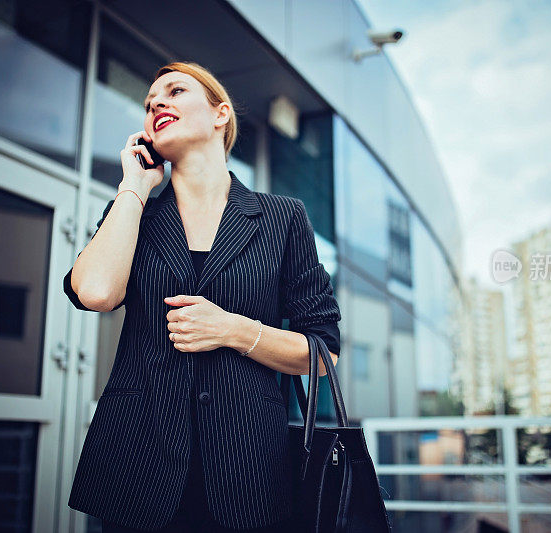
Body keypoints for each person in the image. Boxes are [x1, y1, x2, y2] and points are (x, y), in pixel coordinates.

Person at [63, 61, 342, 532]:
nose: (156, 104)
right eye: (150, 102)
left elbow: (323, 354)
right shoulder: (133, 216)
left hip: (249, 473)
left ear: (221, 115)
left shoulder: (282, 218)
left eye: (174, 91)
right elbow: (94, 292)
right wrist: (134, 186)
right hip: (138, 468)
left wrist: (235, 330)